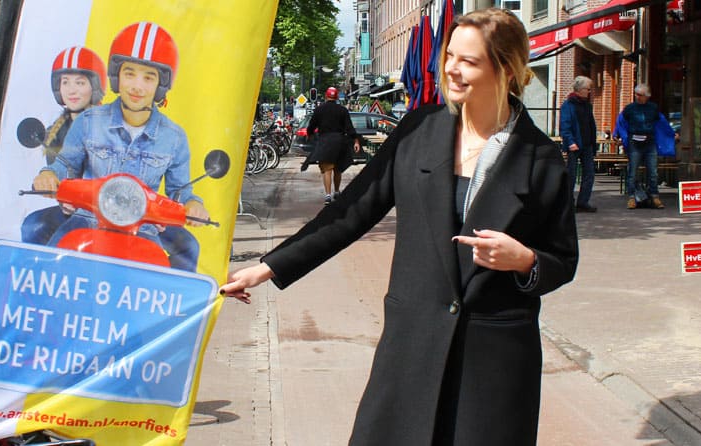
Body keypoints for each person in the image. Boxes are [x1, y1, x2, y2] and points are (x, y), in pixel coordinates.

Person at [220, 8, 578, 445]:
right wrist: (269, 267)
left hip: (493, 361)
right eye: (450, 56)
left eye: (468, 61)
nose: (451, 68)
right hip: (413, 345)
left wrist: (524, 261)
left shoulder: (540, 158)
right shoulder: (419, 131)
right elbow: (350, 211)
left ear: (506, 69)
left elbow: (562, 259)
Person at [31, 22, 208, 272]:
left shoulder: (174, 137)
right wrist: (48, 175)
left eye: (148, 77)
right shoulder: (89, 121)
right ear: (116, 76)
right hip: (86, 221)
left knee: (162, 280)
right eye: (129, 74)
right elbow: (66, 165)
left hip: (143, 227)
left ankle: (179, 312)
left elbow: (180, 190)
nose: (137, 86)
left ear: (161, 84)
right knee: (47, 271)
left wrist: (192, 204)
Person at [21, 46, 106, 245]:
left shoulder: (109, 125)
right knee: (32, 226)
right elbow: (59, 170)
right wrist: (47, 180)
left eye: (80, 82)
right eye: (64, 82)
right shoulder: (54, 132)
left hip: (107, 212)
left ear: (94, 86)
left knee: (61, 244)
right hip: (72, 211)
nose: (71, 89)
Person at [615, 84, 676, 209]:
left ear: (647, 96)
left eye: (640, 95)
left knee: (652, 171)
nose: (638, 97)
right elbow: (621, 121)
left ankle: (654, 196)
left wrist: (671, 133)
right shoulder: (630, 108)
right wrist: (617, 134)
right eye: (636, 94)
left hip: (649, 142)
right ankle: (632, 197)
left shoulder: (653, 108)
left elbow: (662, 123)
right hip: (634, 142)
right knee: (633, 171)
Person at [301, 86, 361, 205]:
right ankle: (337, 191)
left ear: (326, 96)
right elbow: (349, 127)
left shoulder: (319, 110)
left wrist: (309, 133)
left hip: (325, 142)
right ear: (337, 97)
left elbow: (312, 125)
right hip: (339, 142)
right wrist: (356, 140)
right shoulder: (343, 110)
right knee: (337, 169)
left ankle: (328, 195)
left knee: (327, 170)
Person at [559, 75, 598, 212]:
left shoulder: (587, 105)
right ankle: (568, 203)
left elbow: (591, 125)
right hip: (574, 145)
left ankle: (583, 202)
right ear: (580, 89)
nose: (589, 92)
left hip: (587, 145)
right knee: (571, 175)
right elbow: (565, 125)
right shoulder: (568, 105)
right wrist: (570, 142)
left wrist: (594, 143)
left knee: (589, 174)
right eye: (587, 89)